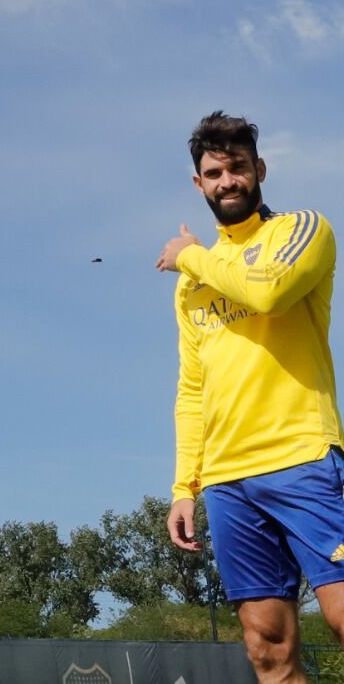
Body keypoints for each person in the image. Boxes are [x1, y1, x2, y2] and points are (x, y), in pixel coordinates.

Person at [158, 112, 340, 683]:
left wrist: (189, 255)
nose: (227, 181)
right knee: (267, 646)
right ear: (199, 184)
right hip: (229, 482)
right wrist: (184, 486)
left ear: (259, 170)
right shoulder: (193, 286)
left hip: (304, 456)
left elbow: (269, 292)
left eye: (237, 168)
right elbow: (192, 389)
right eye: (214, 172)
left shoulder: (301, 229)